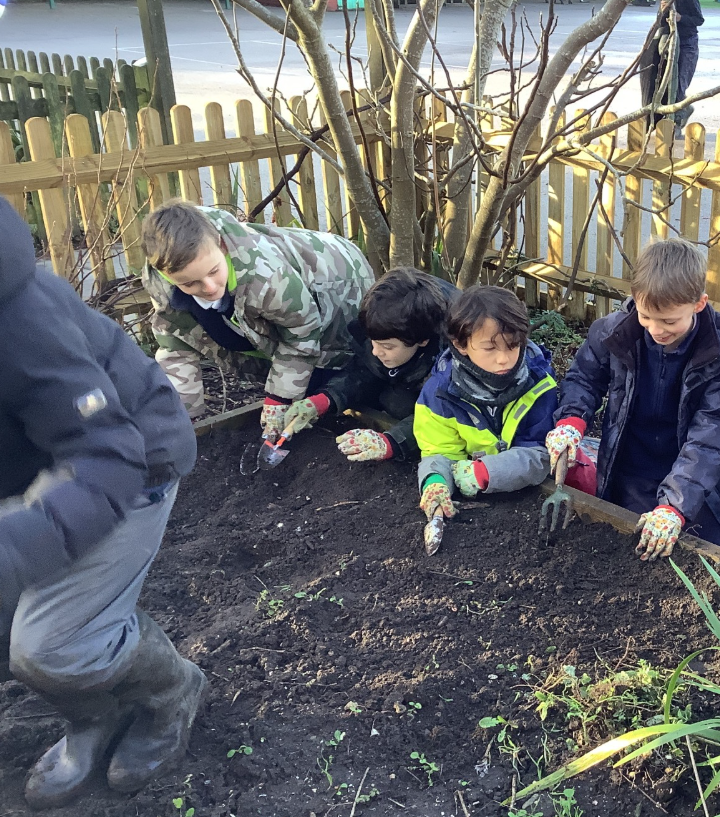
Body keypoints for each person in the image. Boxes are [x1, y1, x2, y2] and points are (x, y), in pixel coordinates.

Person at [0, 198, 205, 807]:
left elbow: (108, 455)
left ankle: (172, 693)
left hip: (129, 461)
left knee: (51, 645)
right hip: (35, 474)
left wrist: (13, 550)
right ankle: (94, 714)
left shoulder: (18, 316)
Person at [549, 239, 720, 560]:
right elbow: (585, 379)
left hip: (702, 475)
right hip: (634, 465)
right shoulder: (612, 332)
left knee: (702, 554)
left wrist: (674, 506)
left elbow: (713, 433)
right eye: (646, 316)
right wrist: (571, 421)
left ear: (699, 304)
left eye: (669, 321)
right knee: (628, 548)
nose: (656, 329)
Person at [141, 200, 376, 441]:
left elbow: (302, 331)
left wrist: (279, 397)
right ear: (166, 276)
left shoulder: (266, 277)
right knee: (293, 374)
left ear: (222, 247)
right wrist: (183, 417)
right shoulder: (162, 285)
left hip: (340, 279)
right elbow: (176, 345)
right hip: (286, 299)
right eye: (190, 283)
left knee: (331, 371)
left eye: (213, 272)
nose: (209, 287)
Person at [278, 268, 457, 463]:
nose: (376, 351)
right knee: (390, 398)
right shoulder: (382, 318)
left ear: (422, 340)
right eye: (373, 341)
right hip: (412, 365)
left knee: (399, 404)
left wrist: (390, 442)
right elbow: (363, 371)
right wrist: (322, 401)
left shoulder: (456, 356)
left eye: (387, 346)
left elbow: (443, 412)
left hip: (447, 396)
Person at [415, 286, 558, 524]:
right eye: (490, 348)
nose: (503, 359)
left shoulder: (539, 383)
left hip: (519, 492)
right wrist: (435, 481)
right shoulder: (439, 393)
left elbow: (540, 452)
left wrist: (484, 472)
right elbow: (439, 451)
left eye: (513, 345)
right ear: (460, 345)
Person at [640, 0, 705, 128]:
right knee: (665, 83)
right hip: (669, 41)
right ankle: (674, 113)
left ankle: (677, 121)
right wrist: (663, 10)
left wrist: (681, 18)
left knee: (679, 84)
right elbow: (660, 22)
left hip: (687, 43)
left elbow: (699, 20)